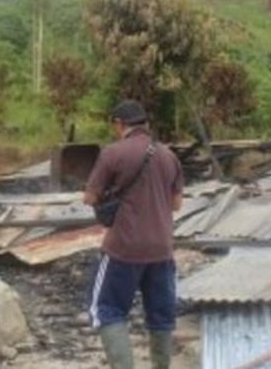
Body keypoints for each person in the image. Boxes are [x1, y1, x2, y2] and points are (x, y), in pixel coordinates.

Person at [84, 99, 183, 369]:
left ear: (119, 124)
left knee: (107, 310)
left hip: (123, 248)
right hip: (162, 249)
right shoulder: (168, 155)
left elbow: (90, 197)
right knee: (161, 316)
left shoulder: (112, 154)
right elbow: (176, 204)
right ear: (146, 124)